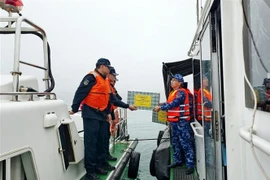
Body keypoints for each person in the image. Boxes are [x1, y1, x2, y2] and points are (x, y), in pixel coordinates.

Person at [69, 58, 135, 180]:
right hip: (91, 114)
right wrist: (74, 108)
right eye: (108, 67)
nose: (109, 69)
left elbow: (112, 99)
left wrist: (127, 106)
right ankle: (90, 171)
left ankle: (99, 165)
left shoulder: (105, 80)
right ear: (102, 66)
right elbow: (80, 93)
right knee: (91, 144)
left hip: (101, 115)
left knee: (100, 142)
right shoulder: (91, 78)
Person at [153, 74, 195, 175]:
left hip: (181, 122)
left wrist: (161, 108)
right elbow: (169, 103)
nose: (172, 82)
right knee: (175, 142)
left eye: (174, 80)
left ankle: (190, 165)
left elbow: (174, 103)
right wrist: (161, 104)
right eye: (171, 80)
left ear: (180, 83)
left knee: (185, 143)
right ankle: (178, 161)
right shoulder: (173, 92)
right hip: (174, 122)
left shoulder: (181, 92)